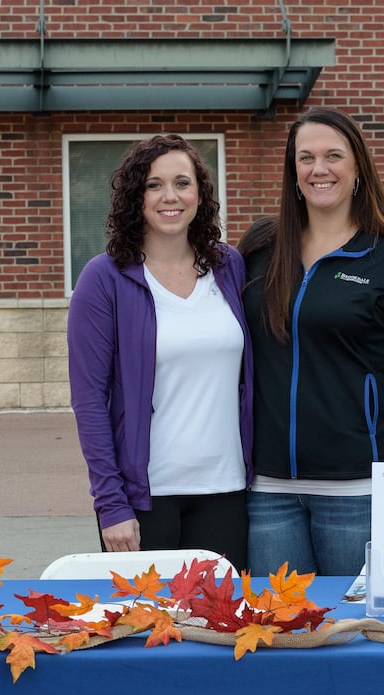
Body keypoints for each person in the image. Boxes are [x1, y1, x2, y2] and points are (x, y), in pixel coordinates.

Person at [238, 107, 384, 577]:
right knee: (276, 633)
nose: (318, 169)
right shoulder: (260, 250)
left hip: (357, 489)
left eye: (333, 156)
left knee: (355, 631)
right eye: (305, 157)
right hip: (268, 489)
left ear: (357, 168)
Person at [67, 134, 252, 564]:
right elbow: (90, 400)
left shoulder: (229, 268)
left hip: (225, 490)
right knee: (146, 627)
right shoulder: (105, 279)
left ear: (200, 194)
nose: (170, 196)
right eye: (154, 184)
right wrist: (110, 503)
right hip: (145, 500)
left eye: (182, 183)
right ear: (136, 197)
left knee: (219, 626)